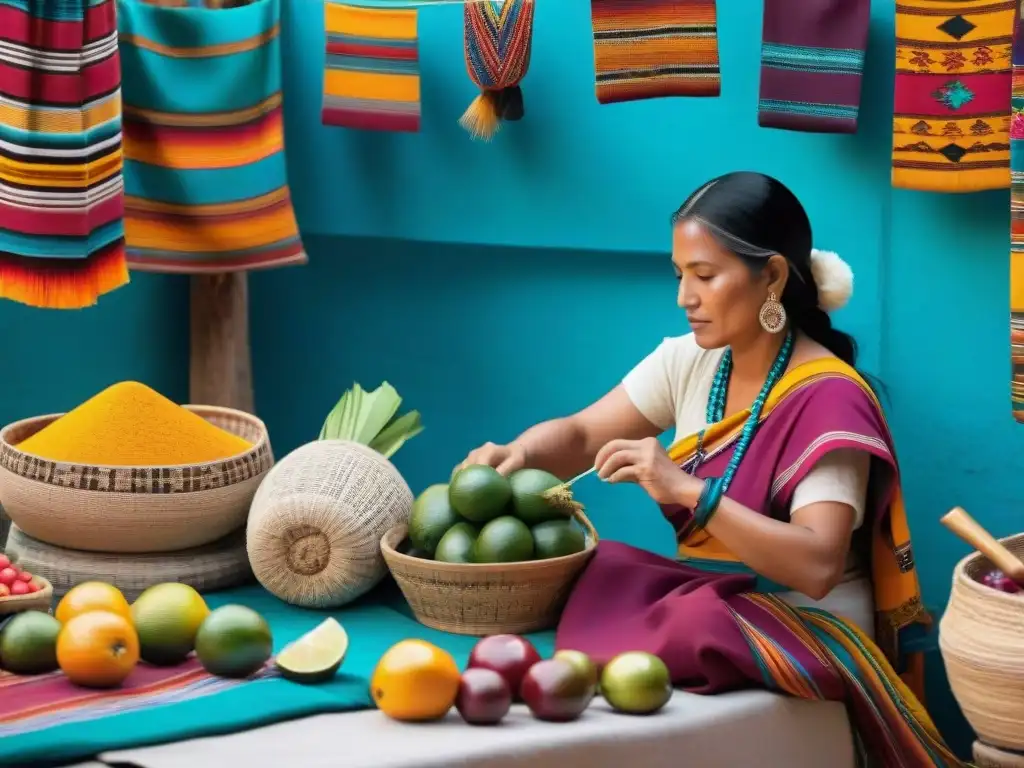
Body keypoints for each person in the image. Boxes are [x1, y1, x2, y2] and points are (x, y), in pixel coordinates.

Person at [457, 172, 963, 767]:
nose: (684, 297)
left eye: (704, 276)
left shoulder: (828, 397)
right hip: (715, 603)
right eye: (680, 276)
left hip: (802, 617)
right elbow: (581, 433)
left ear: (771, 276)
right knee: (610, 572)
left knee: (660, 615)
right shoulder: (692, 359)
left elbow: (818, 564)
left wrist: (685, 488)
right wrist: (519, 453)